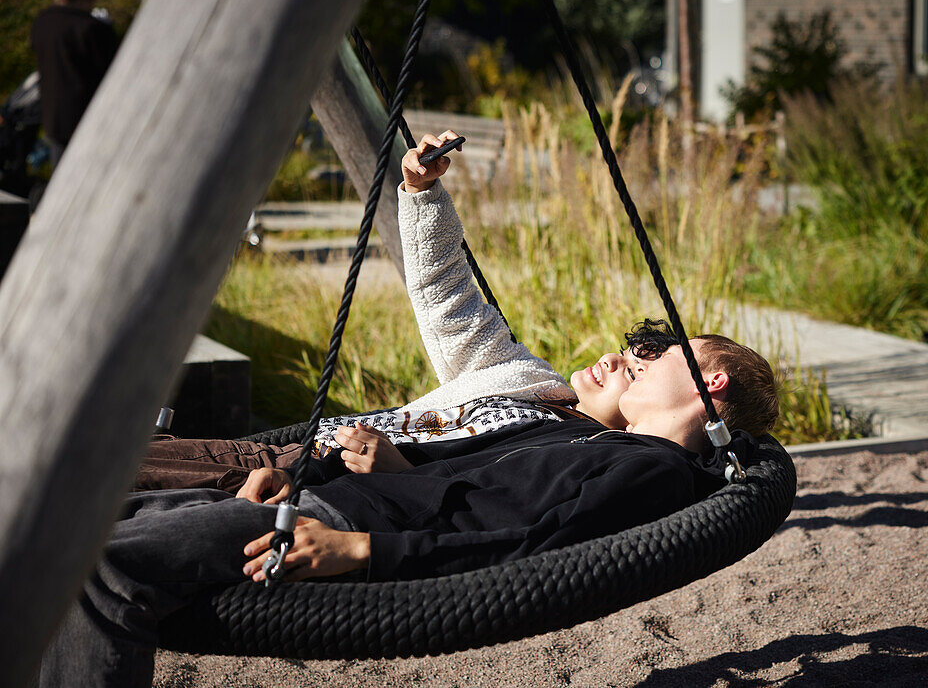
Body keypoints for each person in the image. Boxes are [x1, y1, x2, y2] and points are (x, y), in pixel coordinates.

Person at [38, 133, 779, 687]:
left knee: (96, 564)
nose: (635, 354)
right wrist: (299, 477)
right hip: (319, 489)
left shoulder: (649, 474)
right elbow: (451, 321)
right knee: (61, 528)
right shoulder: (551, 411)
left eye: (659, 352)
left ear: (711, 382)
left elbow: (522, 552)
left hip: (348, 522)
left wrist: (359, 548)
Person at [30, 0, 119, 162]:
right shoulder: (90, 28)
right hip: (88, 119)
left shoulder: (42, 22)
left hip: (53, 117)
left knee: (60, 176)